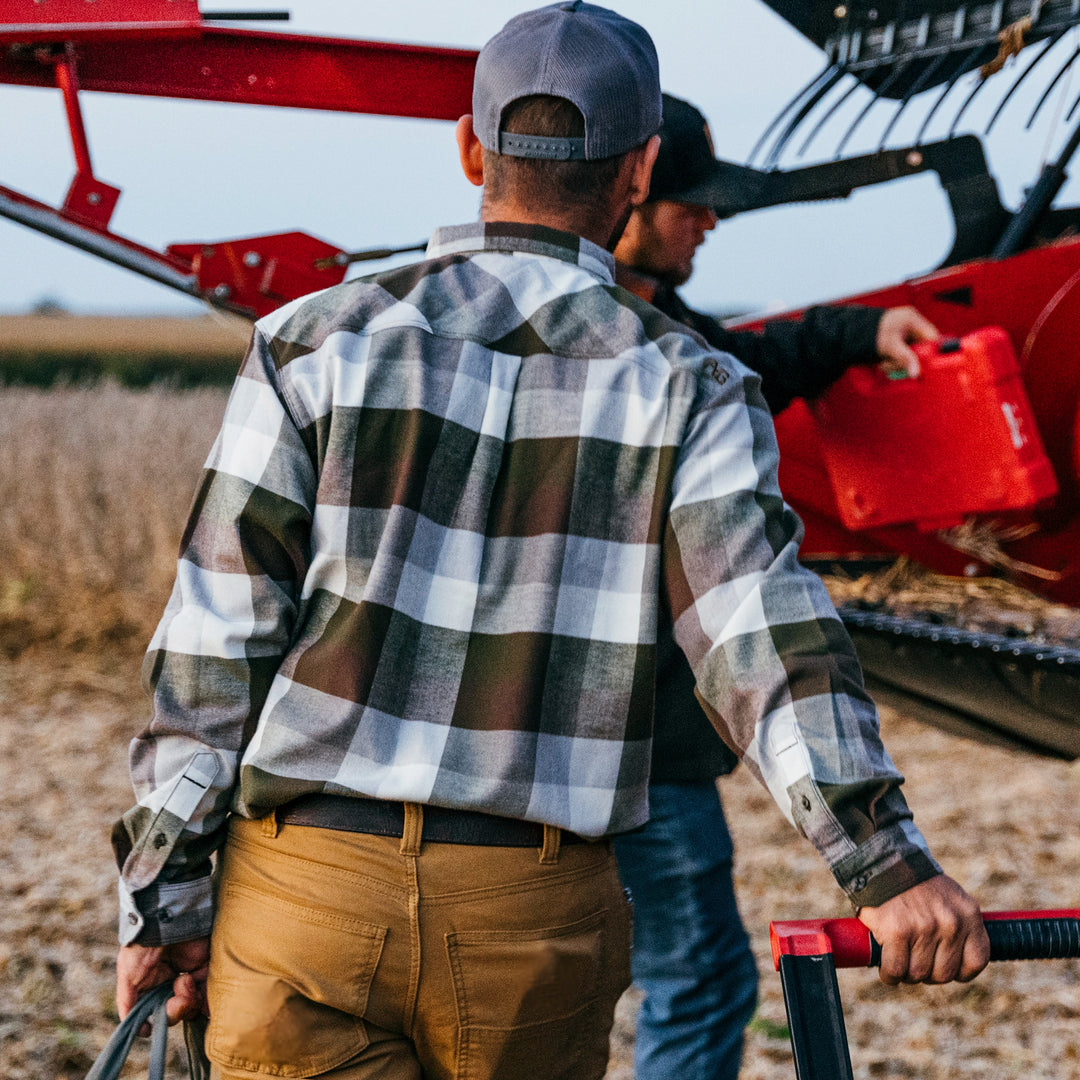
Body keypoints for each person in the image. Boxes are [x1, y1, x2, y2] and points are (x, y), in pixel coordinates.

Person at [112, 7, 988, 1079]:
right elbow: (760, 638)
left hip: (305, 904)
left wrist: (164, 902)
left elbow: (213, 648)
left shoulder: (308, 344)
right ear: (641, 170)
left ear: (472, 149)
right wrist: (885, 863)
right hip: (529, 923)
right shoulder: (693, 383)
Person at [610, 91, 944, 1080]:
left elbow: (747, 359)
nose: (709, 220)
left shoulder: (649, 333)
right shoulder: (646, 355)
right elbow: (751, 607)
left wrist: (861, 329)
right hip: (641, 757)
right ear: (627, 194)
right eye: (691, 203)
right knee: (702, 979)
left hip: (505, 770)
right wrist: (885, 858)